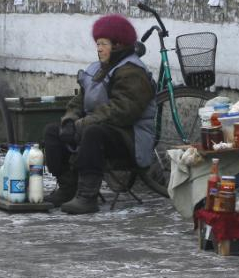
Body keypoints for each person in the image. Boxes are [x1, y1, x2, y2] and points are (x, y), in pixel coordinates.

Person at [42, 14, 156, 214]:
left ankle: (87, 196)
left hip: (129, 138)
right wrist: (70, 121)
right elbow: (79, 101)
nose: (99, 49)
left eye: (103, 44)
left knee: (93, 133)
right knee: (53, 131)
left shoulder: (132, 71)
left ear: (118, 44)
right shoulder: (97, 69)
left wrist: (83, 124)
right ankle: (68, 188)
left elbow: (122, 111)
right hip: (98, 127)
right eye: (97, 44)